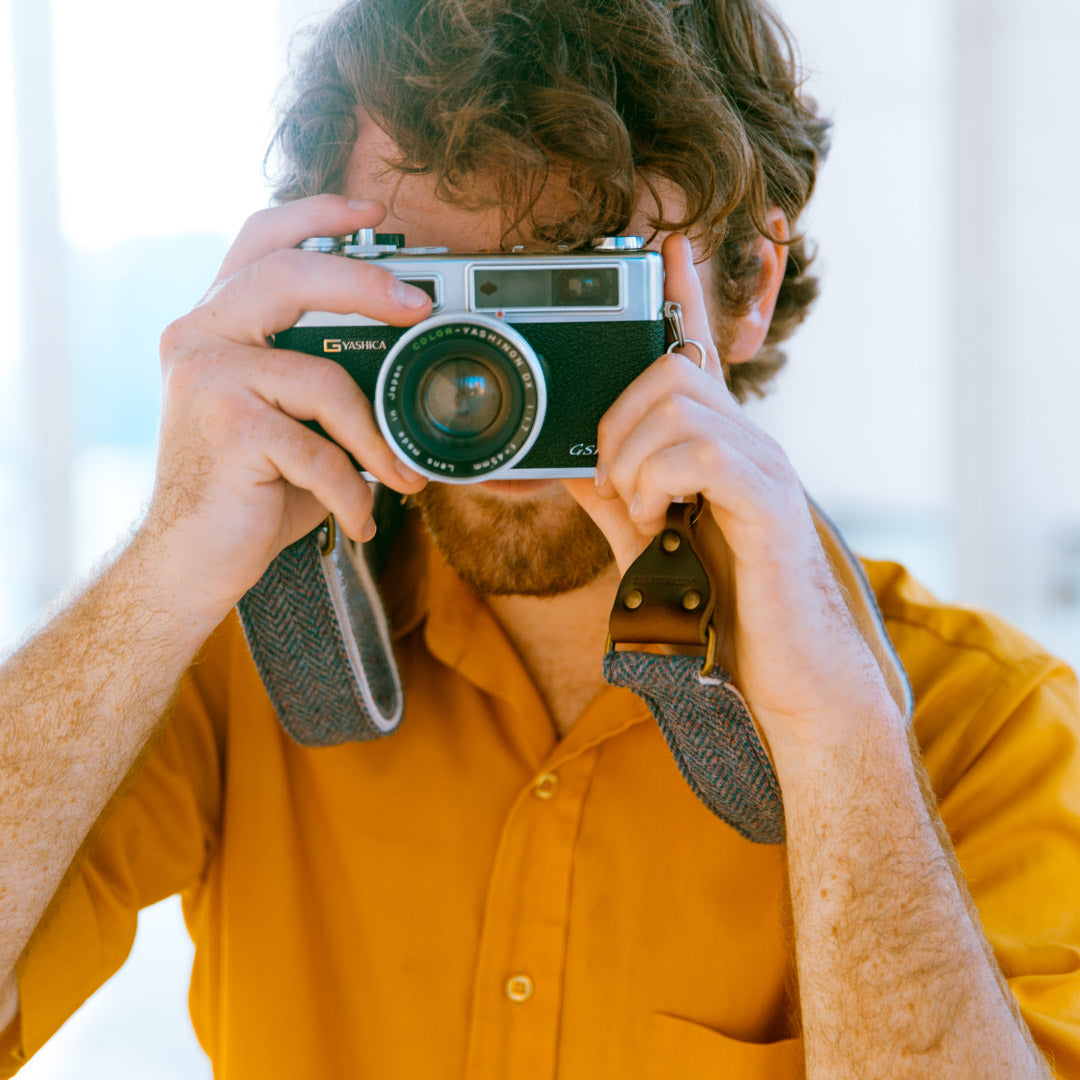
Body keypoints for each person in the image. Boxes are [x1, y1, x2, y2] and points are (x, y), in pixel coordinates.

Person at [1, 0, 1079, 1075]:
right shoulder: (239, 664)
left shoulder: (986, 730)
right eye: (426, 286)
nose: (478, 374)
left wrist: (845, 753)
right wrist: (165, 563)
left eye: (567, 280)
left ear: (744, 282)